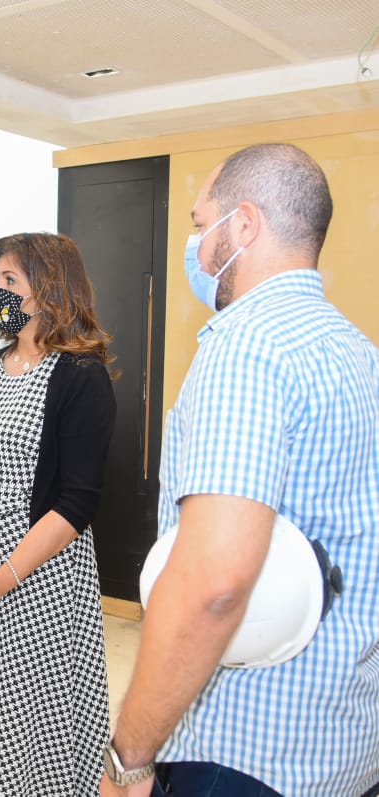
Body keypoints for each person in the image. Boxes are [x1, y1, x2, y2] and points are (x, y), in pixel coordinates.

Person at [100, 144, 379, 797]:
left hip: (245, 754)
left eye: (201, 225)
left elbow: (213, 585)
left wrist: (129, 758)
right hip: (344, 745)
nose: (196, 248)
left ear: (244, 224)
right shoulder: (358, 350)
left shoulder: (246, 348)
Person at [0, 232, 118, 796]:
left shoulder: (80, 374)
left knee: (27, 719)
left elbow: (77, 501)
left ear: (49, 287)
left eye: (9, 280)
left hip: (40, 573)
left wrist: (5, 577)